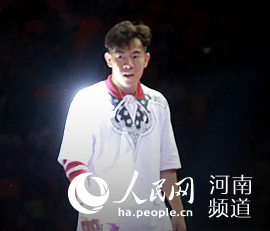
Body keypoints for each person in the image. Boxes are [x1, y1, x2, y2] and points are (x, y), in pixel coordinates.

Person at [57, 21, 188, 231]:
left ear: (146, 60)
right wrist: (86, 207)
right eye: (121, 56)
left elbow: (167, 166)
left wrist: (178, 213)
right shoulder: (87, 100)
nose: (128, 63)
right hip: (104, 220)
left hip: (153, 221)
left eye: (135, 56)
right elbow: (74, 162)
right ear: (109, 59)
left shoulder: (158, 102)